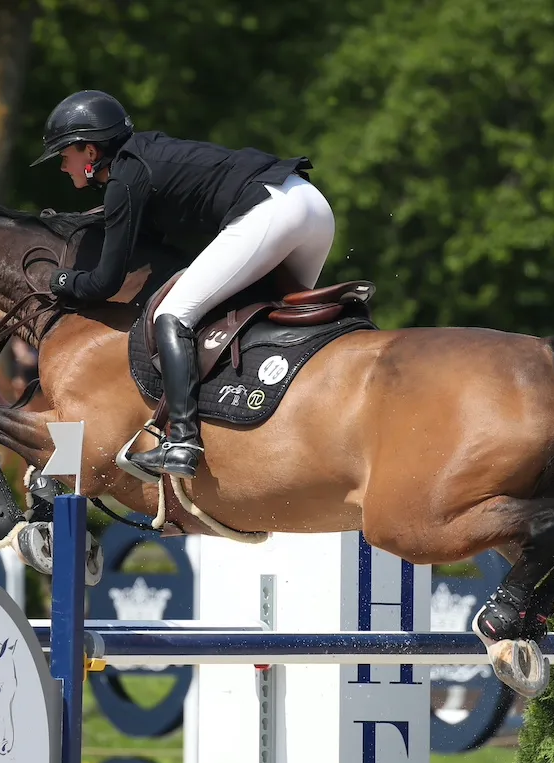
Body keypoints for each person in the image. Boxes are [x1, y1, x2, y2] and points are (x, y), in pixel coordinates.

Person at [33, 90, 336, 479]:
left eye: (64, 155)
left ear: (90, 151)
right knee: (269, 323)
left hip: (273, 211)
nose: (62, 166)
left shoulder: (125, 178)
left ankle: (182, 442)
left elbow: (105, 282)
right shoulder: (144, 158)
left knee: (173, 313)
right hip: (311, 205)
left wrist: (60, 279)